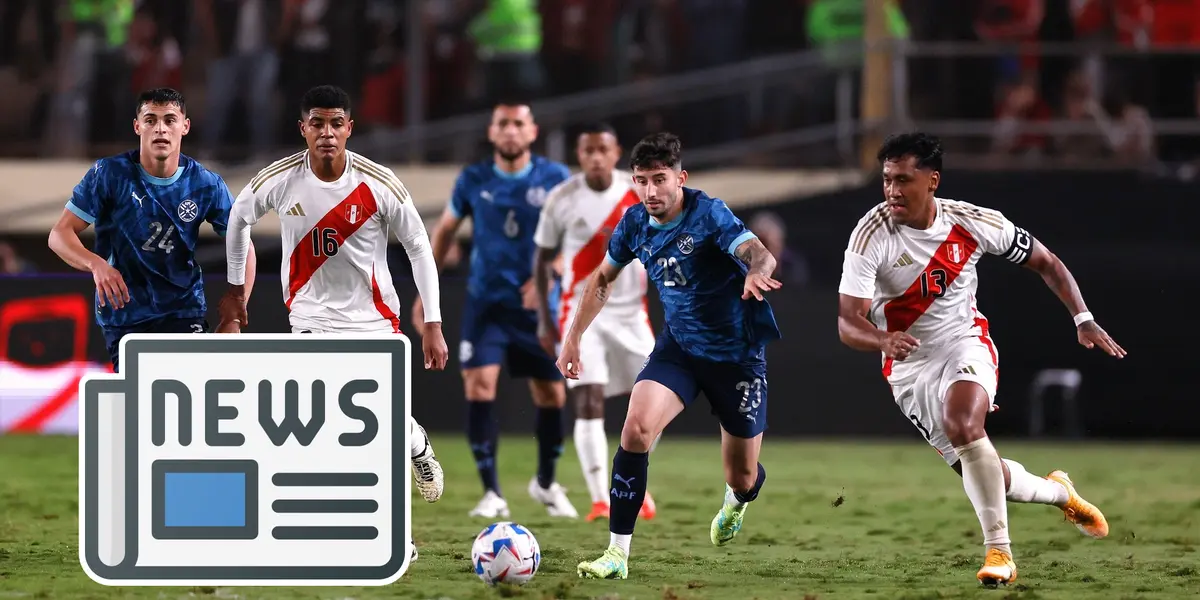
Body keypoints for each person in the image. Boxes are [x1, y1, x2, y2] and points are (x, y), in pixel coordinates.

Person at [836, 132, 1124, 588]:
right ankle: (1059, 492)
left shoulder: (971, 221)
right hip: (907, 368)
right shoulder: (871, 233)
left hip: (964, 342)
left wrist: (1082, 318)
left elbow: (1047, 262)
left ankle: (1000, 553)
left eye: (903, 180)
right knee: (985, 470)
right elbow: (847, 322)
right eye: (887, 180)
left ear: (932, 181)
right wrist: (881, 339)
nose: (892, 190)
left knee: (964, 425)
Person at [218, 85, 449, 563]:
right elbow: (238, 220)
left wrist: (433, 322)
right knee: (331, 426)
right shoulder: (280, 179)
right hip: (311, 320)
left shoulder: (378, 183)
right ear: (303, 129)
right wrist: (237, 290)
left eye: (336, 123)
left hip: (375, 321)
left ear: (349, 128)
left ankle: (415, 447)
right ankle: (390, 537)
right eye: (317, 124)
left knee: (382, 426)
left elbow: (419, 246)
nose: (327, 132)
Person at [562, 132, 783, 580]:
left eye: (659, 179)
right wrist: (573, 337)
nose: (650, 191)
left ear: (680, 179)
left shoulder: (709, 214)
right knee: (635, 430)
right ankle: (617, 553)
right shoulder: (633, 223)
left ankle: (737, 500)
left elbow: (759, 254)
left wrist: (755, 273)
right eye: (641, 180)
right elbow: (602, 279)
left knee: (741, 476)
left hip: (736, 358)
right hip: (678, 350)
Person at [417, 101, 578, 519]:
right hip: (486, 304)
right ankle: (492, 493)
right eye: (502, 124)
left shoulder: (555, 178)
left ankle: (546, 483)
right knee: (479, 386)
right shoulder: (473, 179)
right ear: (491, 133)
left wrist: (553, 272)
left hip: (537, 309)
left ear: (532, 131)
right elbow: (445, 230)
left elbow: (578, 235)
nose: (510, 130)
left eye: (517, 123)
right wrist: (425, 292)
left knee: (551, 393)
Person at [47, 87, 254, 370]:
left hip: (182, 311)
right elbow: (59, 234)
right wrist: (96, 265)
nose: (160, 129)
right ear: (137, 126)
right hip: (124, 314)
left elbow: (244, 245)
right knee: (141, 394)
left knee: (188, 389)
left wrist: (234, 312)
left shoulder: (205, 184)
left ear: (185, 126)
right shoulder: (109, 174)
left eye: (169, 120)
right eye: (150, 120)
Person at [532, 123, 660, 523]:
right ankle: (601, 500)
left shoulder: (638, 191)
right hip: (580, 312)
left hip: (632, 312)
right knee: (588, 400)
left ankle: (632, 482)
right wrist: (545, 320)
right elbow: (541, 260)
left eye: (603, 150)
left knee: (656, 400)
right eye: (588, 151)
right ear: (579, 155)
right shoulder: (562, 198)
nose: (596, 157)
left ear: (616, 152)